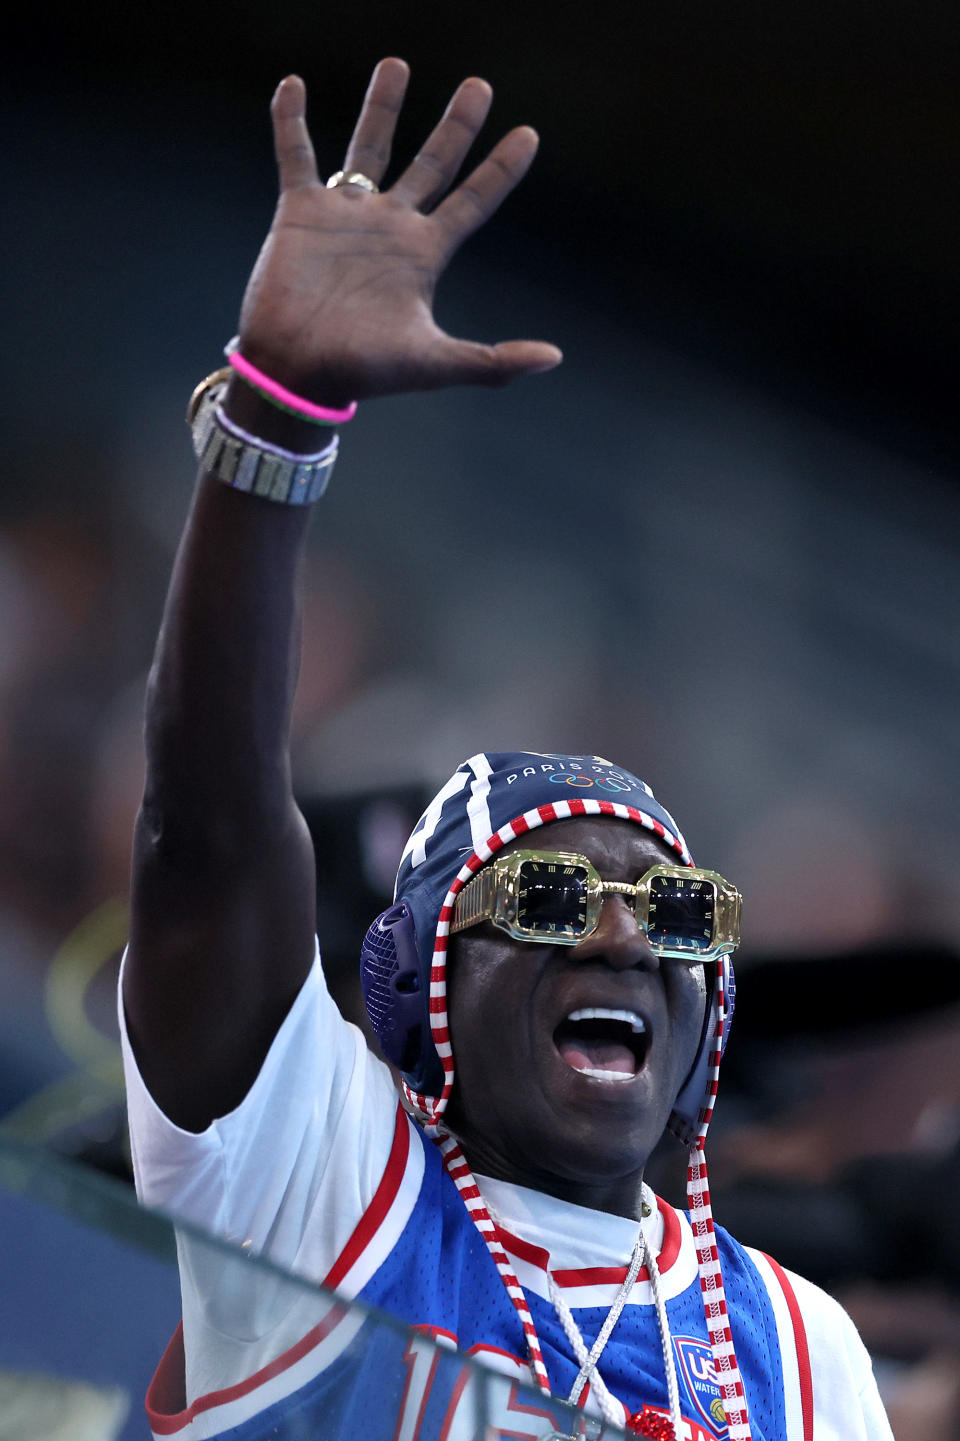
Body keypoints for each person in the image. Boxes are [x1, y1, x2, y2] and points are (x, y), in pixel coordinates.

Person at [119, 59, 893, 1441]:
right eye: (545, 897)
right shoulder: (322, 1169)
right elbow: (210, 837)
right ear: (426, 977)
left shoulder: (798, 1345)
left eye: (675, 912)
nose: (623, 942)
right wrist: (277, 418)